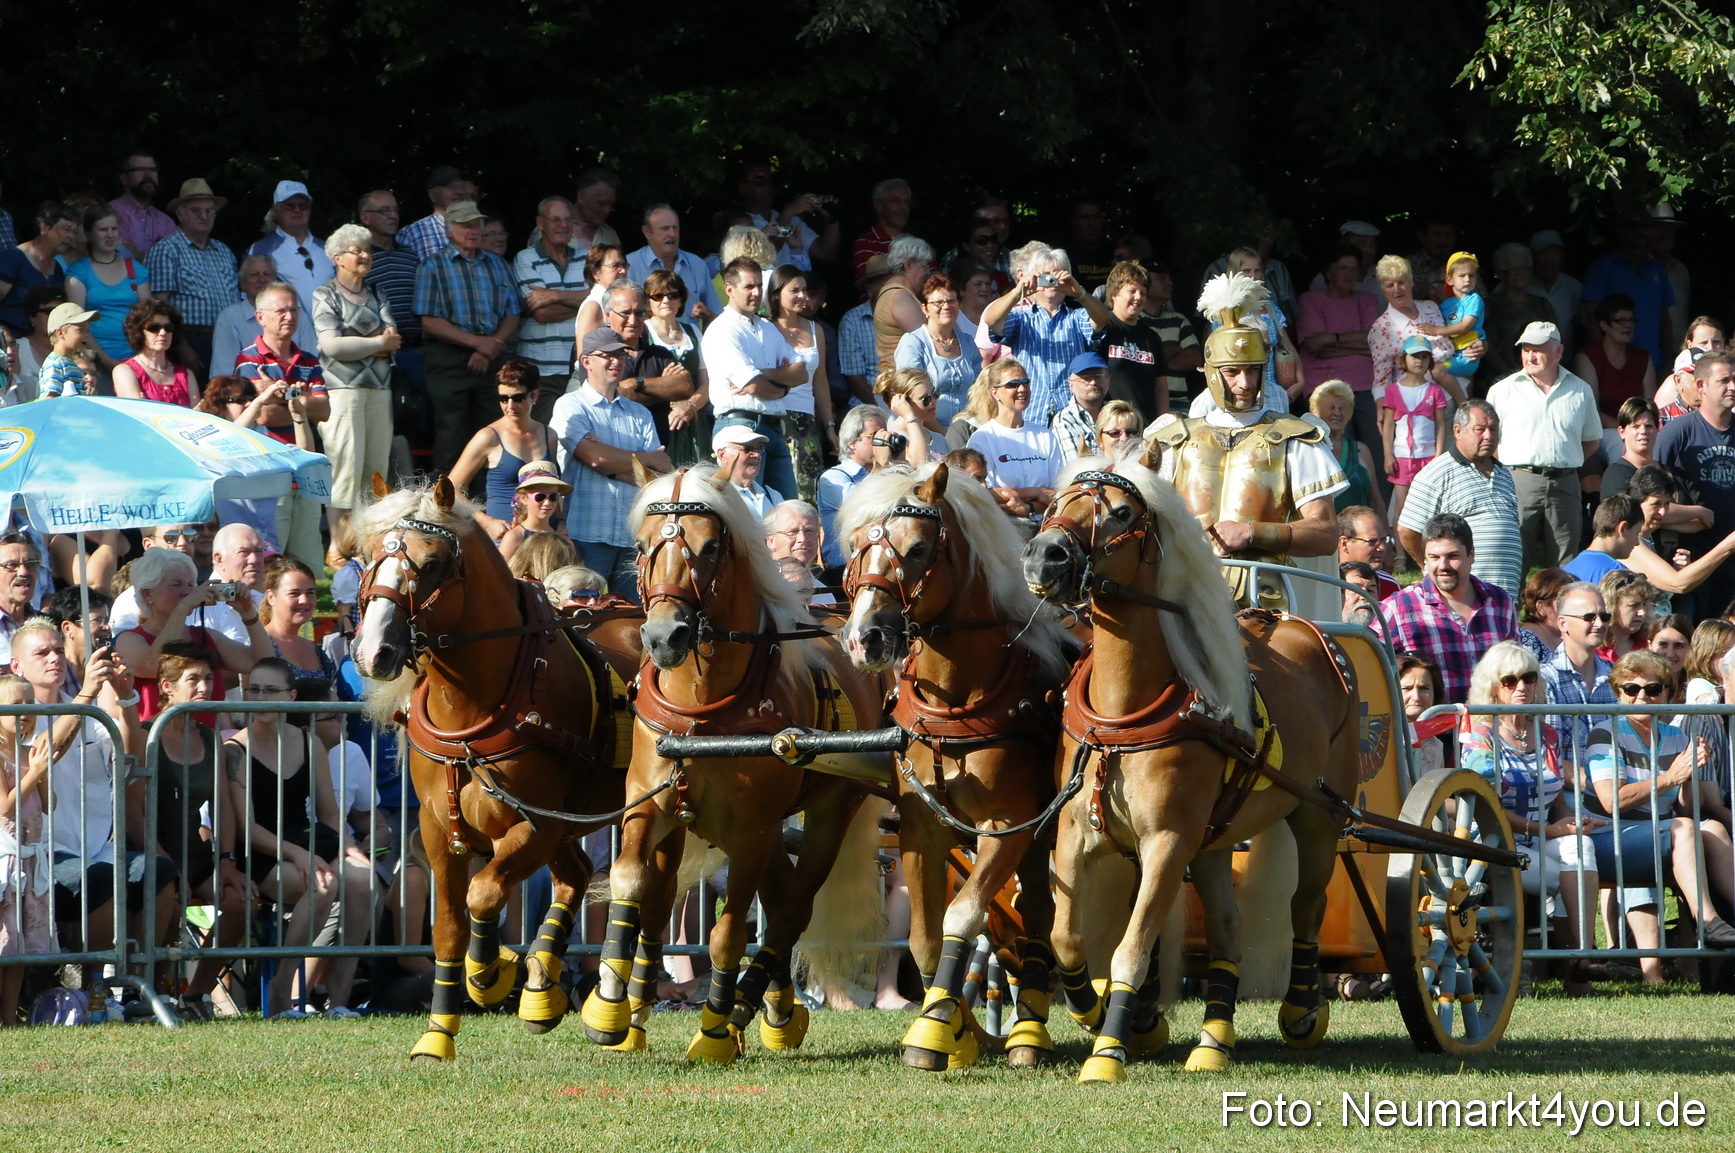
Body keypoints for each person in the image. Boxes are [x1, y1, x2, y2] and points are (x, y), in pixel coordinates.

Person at [1148, 273, 1346, 608]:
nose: (1244, 382)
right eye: (1232, 372)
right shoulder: (1172, 440)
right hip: (1181, 596)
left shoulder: (1295, 438)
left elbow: (1326, 534)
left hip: (1265, 600)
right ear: (1211, 372)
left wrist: (1252, 533)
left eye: (1252, 370)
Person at [223, 657, 372, 1016]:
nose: (260, 698)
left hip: (307, 841)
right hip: (262, 850)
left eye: (269, 691)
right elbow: (248, 827)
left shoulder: (309, 744)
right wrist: (296, 855)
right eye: (253, 690)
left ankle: (340, 998)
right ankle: (282, 988)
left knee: (362, 879)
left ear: (291, 697)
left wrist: (349, 846)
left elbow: (331, 814)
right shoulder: (235, 750)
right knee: (321, 885)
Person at [1460, 641, 1604, 991]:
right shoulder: (1481, 737)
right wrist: (1548, 829)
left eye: (1528, 677)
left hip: (1541, 836)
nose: (1522, 686)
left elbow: (1556, 799)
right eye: (1510, 680)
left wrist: (1570, 823)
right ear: (1492, 685)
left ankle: (1583, 955)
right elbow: (1487, 806)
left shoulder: (1545, 734)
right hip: (1494, 842)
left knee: (1579, 847)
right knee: (1563, 873)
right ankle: (1576, 965)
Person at [1586, 650, 1735, 978]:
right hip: (1608, 838)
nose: (1642, 697)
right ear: (1618, 693)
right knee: (1683, 828)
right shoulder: (1604, 733)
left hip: (1660, 834)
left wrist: (1691, 773)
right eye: (1631, 689)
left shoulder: (1675, 736)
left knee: (1712, 829)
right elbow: (1613, 803)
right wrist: (1670, 776)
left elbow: (1684, 808)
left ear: (1668, 693)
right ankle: (1708, 921)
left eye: (1653, 689)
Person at [147, 642, 256, 1008]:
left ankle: (196, 995)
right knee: (170, 904)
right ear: (167, 686)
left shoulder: (210, 738)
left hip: (198, 855)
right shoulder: (147, 736)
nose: (204, 688)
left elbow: (223, 805)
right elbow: (137, 814)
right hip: (155, 853)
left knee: (243, 901)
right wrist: (168, 867)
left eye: (208, 679)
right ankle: (156, 996)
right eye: (193, 679)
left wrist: (226, 861)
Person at [552, 329, 671, 600]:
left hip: (632, 537)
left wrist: (609, 463)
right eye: (606, 355)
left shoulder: (639, 412)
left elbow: (658, 472)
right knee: (583, 615)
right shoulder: (570, 405)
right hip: (585, 533)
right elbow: (596, 458)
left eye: (620, 354)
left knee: (630, 620)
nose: (616, 361)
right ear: (586, 362)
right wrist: (643, 458)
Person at [1486, 321, 1602, 572]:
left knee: (1565, 560)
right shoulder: (1501, 391)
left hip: (1566, 482)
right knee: (1515, 555)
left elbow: (1592, 440)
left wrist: (1566, 459)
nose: (1530, 355)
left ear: (1558, 351)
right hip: (1518, 481)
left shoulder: (1581, 390)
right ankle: (1511, 610)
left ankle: (1563, 610)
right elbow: (1489, 441)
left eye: (1538, 349)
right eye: (1526, 349)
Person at [312, 223, 399, 557]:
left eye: (368, 250)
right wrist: (376, 342)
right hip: (341, 390)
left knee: (374, 470)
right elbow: (333, 346)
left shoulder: (378, 293)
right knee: (344, 467)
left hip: (380, 389)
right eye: (357, 250)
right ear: (337, 258)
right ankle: (336, 545)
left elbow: (394, 341)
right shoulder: (325, 294)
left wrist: (362, 343)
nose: (365, 255)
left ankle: (365, 543)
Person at [415, 201, 520, 476]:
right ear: (449, 231)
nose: (472, 230)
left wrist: (490, 346)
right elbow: (429, 321)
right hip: (448, 359)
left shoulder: (498, 264)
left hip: (493, 356)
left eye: (476, 224)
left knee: (494, 433)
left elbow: (513, 314)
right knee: (451, 436)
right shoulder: (432, 266)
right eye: (465, 225)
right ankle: (445, 508)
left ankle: (486, 507)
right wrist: (478, 343)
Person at [235, 282, 330, 568]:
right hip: (269, 474)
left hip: (304, 472)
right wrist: (300, 399)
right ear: (261, 316)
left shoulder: (310, 360)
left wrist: (280, 393)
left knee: (307, 564)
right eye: (280, 310)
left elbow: (324, 410)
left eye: (293, 310)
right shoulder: (248, 359)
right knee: (270, 563)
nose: (289, 316)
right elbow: (264, 416)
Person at [114, 547, 271, 720]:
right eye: (176, 585)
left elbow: (262, 664)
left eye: (191, 585)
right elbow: (154, 665)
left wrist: (248, 614)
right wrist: (183, 608)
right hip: (157, 744)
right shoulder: (129, 640)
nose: (187, 592)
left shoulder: (207, 637)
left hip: (206, 742)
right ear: (147, 594)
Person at [1376, 513, 1517, 703]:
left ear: (1472, 554)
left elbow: (1516, 668)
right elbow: (1369, 665)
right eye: (1434, 557)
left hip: (1489, 726)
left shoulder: (1501, 603)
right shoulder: (1398, 607)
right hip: (1429, 729)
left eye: (1453, 556)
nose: (1443, 566)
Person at [701, 258, 806, 501]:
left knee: (786, 510)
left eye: (759, 285)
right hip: (738, 428)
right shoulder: (721, 330)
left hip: (773, 428)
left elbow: (801, 373)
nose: (757, 292)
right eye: (749, 287)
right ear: (729, 289)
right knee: (746, 512)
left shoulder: (768, 328)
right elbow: (753, 386)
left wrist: (765, 373)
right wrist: (781, 387)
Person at [980, 242, 1112, 425]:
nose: (1051, 282)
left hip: (1071, 417)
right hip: (1030, 412)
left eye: (1056, 276)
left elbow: (1103, 318)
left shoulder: (1077, 318)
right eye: (1045, 276)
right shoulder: (1021, 318)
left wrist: (1079, 293)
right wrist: (1019, 291)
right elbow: (991, 319)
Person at [448, 358, 560, 540]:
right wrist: (485, 521)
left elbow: (554, 487)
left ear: (535, 395)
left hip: (543, 537)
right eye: (503, 398)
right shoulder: (488, 437)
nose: (510, 406)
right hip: (504, 538)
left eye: (518, 398)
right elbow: (450, 488)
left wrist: (561, 521)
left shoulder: (549, 435)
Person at [1657, 353, 1735, 613]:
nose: (1732, 386)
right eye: (1724, 380)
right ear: (1701, 385)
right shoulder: (1678, 432)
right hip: (1693, 556)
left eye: (1734, 379)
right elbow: (1648, 491)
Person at [1191, 247, 1303, 413]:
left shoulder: (1270, 308)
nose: (1253, 275)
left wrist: (1300, 383)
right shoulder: (1224, 311)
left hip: (1271, 391)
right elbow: (1212, 358)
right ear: (1234, 272)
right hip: (1236, 393)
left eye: (1257, 270)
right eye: (1246, 271)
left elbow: (1289, 347)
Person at [0, 673, 52, 1024]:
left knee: (19, 940)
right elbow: (5, 806)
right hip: (5, 860)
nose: (24, 713)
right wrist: (34, 772)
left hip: (30, 860)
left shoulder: (28, 753)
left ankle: (9, 1015)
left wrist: (43, 774)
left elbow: (49, 805)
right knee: (4, 937)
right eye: (14, 705)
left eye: (29, 705)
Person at [146, 180, 238, 375]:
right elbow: (160, 306)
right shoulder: (166, 250)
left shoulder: (224, 251)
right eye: (196, 210)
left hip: (226, 338)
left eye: (210, 211)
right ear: (180, 214)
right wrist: (182, 346)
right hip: (189, 338)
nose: (204, 216)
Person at [766, 266, 838, 503]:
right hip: (774, 418)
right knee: (778, 492)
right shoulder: (765, 328)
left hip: (806, 422)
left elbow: (820, 380)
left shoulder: (815, 329)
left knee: (808, 493)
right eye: (794, 290)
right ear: (777, 293)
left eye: (805, 290)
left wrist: (829, 426)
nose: (802, 297)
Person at [966, 357, 1061, 535]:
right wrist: (1036, 491)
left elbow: (1056, 493)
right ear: (995, 393)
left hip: (1046, 529)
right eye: (1013, 384)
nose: (1022, 389)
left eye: (1025, 383)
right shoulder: (983, 438)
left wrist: (1029, 507)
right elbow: (983, 492)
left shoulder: (1045, 435)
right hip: (1003, 531)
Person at [1297, 246, 1380, 445]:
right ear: (1328, 272)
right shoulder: (1310, 300)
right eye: (1343, 268)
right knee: (1336, 446)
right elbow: (1316, 346)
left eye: (1354, 269)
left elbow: (1375, 342)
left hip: (1367, 384)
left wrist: (1332, 339)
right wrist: (1361, 346)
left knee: (1376, 447)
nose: (1349, 274)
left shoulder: (1368, 299)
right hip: (1325, 385)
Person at [514, 196, 587, 416]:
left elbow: (603, 299)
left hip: (580, 367)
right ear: (540, 223)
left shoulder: (587, 259)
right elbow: (543, 313)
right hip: (541, 370)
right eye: (556, 219)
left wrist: (554, 294)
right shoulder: (525, 259)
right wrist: (586, 302)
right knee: (543, 436)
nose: (563, 225)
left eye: (568, 220)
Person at [1366, 254, 1466, 406]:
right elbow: (1382, 379)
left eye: (1401, 282)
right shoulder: (1382, 327)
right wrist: (1383, 411)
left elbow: (1455, 340)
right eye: (1389, 285)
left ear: (1411, 281)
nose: (1397, 289)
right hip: (1419, 404)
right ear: (1382, 289)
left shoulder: (1430, 307)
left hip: (1458, 391)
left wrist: (1476, 346)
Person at [1582, 210, 1675, 372]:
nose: (1638, 231)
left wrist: (1667, 359)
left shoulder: (1658, 271)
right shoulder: (1602, 269)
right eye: (1631, 226)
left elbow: (1665, 320)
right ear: (1619, 231)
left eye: (1644, 226)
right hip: (1614, 367)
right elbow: (1592, 320)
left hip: (1654, 364)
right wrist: (1602, 363)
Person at [65, 204, 152, 367]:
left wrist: (141, 359)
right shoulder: (78, 273)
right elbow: (78, 324)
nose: (110, 235)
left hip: (138, 361)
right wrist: (108, 362)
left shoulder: (135, 269)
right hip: (95, 363)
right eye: (103, 230)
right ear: (89, 234)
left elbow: (149, 318)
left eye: (114, 229)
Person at [1541, 581, 1618, 758]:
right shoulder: (1546, 679)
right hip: (1569, 785)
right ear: (1563, 623)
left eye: (1604, 616)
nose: (1599, 624)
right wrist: (1597, 784)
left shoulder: (1616, 676)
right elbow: (1550, 757)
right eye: (1589, 617)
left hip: (1615, 781)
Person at [1378, 335, 1449, 529]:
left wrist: (1439, 455)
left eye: (1424, 357)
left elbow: (1441, 424)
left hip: (1428, 457)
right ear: (1404, 359)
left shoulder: (1435, 391)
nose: (1419, 361)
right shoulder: (1392, 391)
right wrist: (1387, 455)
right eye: (1414, 356)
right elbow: (1388, 426)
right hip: (1401, 457)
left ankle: (1426, 554)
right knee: (1401, 506)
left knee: (1431, 506)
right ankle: (1400, 556)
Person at [642, 269, 711, 467]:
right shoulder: (642, 333)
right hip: (659, 421)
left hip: (693, 423)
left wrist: (689, 406)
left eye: (673, 295)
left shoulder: (693, 332)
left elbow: (707, 381)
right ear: (648, 301)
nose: (666, 300)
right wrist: (673, 404)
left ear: (681, 300)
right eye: (658, 295)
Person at [894, 272, 980, 425]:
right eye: (938, 302)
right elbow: (912, 401)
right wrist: (945, 435)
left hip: (968, 429)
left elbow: (980, 390)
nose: (946, 306)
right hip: (928, 431)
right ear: (925, 309)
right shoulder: (913, 343)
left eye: (951, 301)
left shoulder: (967, 342)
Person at [212, 254, 318, 377]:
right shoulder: (229, 317)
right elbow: (223, 373)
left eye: (267, 274)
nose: (262, 279)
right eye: (254, 275)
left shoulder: (298, 316)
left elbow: (312, 363)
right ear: (242, 283)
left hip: (298, 387)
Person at [1092, 260, 1169, 422]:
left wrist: (1163, 424)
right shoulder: (1102, 330)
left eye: (1143, 293)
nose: (1138, 297)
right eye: (1132, 291)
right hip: (1112, 427)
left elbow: (1160, 388)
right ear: (1114, 294)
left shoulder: (1151, 337)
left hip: (1146, 429)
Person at [817, 405, 889, 574]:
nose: (882, 441)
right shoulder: (832, 478)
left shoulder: (887, 472)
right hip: (844, 570)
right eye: (875, 436)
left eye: (884, 434)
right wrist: (881, 465)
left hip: (878, 568)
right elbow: (860, 507)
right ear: (852, 443)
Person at [248, 181, 334, 319]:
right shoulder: (261, 249)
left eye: (303, 206)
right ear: (276, 209)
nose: (297, 210)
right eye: (290, 205)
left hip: (330, 332)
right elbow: (250, 296)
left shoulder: (328, 248)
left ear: (310, 210)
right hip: (286, 331)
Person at [734, 160, 840, 270]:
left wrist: (831, 219)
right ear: (743, 188)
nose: (769, 186)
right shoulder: (740, 223)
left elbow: (827, 254)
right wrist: (789, 212)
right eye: (760, 181)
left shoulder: (791, 220)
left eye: (771, 180)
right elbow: (763, 257)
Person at [1478, 242, 1559, 387]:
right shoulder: (1493, 305)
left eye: (1524, 268)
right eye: (1513, 269)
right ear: (1501, 274)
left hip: (1542, 378)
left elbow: (1555, 340)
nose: (1520, 273)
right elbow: (1488, 346)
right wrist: (1512, 376)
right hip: (1503, 379)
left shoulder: (1542, 304)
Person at [625, 205, 721, 323]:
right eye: (665, 229)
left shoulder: (696, 265)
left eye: (675, 228)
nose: (672, 234)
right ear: (647, 232)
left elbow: (718, 316)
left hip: (691, 339)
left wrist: (707, 314)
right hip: (647, 340)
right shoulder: (630, 266)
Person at [1573, 294, 1657, 420]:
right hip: (1603, 433)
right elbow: (1591, 411)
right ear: (1604, 325)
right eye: (1621, 320)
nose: (1628, 325)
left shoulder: (1643, 358)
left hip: (1639, 429)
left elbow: (1650, 407)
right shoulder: (1587, 358)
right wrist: (1624, 429)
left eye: (1631, 320)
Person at [0, 202, 77, 338]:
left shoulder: (57, 270)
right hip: (11, 345)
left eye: (74, 232)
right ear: (44, 228)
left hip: (43, 345)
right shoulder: (12, 259)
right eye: (66, 229)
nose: (71, 236)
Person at [1310, 380, 1383, 518]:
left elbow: (1376, 500)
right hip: (1321, 535)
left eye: (1342, 408)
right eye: (1331, 407)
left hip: (1358, 536)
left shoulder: (1361, 451)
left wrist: (1384, 536)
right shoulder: (1307, 450)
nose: (1337, 412)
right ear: (1315, 412)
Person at [1414, 251, 1485, 386]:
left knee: (1437, 371)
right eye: (1462, 276)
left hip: (1468, 354)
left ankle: (1461, 402)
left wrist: (1436, 330)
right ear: (1449, 280)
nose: (1467, 279)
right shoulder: (1446, 304)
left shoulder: (1474, 299)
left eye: (1472, 275)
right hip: (1453, 353)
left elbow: (1465, 327)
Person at [105, 300, 192, 406]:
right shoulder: (124, 371)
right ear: (139, 332)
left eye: (168, 328)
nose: (163, 333)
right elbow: (137, 412)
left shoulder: (186, 375)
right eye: (154, 328)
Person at [873, 235, 935, 372]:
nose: (928, 273)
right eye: (925, 266)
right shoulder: (899, 297)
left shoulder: (896, 293)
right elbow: (930, 342)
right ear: (909, 265)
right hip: (902, 384)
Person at [496, 460, 573, 564]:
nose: (547, 502)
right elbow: (502, 575)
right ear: (524, 498)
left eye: (553, 496)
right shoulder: (515, 537)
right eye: (540, 497)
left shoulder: (563, 540)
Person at [396, 165, 474, 261]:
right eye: (451, 187)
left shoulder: (481, 229)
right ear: (432, 195)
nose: (459, 192)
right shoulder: (412, 234)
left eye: (462, 186)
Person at [108, 151, 176, 258]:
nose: (148, 175)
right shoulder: (110, 212)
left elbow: (175, 262)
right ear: (124, 178)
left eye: (153, 170)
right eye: (140, 170)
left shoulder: (167, 223)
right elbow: (117, 256)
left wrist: (137, 255)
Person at [1563, 494, 1643, 583]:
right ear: (1622, 528)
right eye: (1636, 534)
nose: (1637, 542)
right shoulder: (1619, 575)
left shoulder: (1567, 571)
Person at [873, 366, 945, 464]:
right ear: (903, 402)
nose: (933, 401)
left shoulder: (939, 438)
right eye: (925, 399)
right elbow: (920, 465)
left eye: (935, 394)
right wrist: (909, 416)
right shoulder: (890, 437)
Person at [1528, 231, 1583, 357]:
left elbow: (1588, 324)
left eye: (1554, 254)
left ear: (1562, 257)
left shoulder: (1573, 287)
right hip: (1525, 363)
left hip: (1564, 365)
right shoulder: (1518, 285)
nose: (1549, 261)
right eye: (1543, 254)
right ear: (1532, 256)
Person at [1050, 351, 1110, 462]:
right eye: (1086, 378)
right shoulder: (1064, 420)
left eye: (1099, 377)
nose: (1093, 382)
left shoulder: (1118, 414)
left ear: (1108, 381)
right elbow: (1076, 466)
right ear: (1071, 385)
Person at [851, 178, 914, 283]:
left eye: (907, 202)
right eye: (896, 201)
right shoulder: (865, 243)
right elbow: (874, 283)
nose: (903, 207)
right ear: (878, 205)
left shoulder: (917, 244)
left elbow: (933, 282)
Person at [1397, 654, 1447, 776]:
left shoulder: (1436, 746)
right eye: (1407, 688)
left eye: (1424, 688)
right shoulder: (1381, 743)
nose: (1416, 697)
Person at [1336, 506, 1400, 600]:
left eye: (1383, 540)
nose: (1382, 548)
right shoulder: (1321, 582)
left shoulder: (1389, 586)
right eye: (1372, 541)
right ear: (1344, 543)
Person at [36, 302, 98, 398]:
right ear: (61, 333)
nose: (86, 335)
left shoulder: (70, 363)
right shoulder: (55, 364)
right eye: (80, 330)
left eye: (87, 330)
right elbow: (50, 400)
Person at [571, 244, 630, 344]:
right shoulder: (593, 306)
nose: (623, 271)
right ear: (595, 273)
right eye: (615, 266)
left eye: (624, 265)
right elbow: (584, 354)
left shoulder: (616, 300)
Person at [1598, 569, 1656, 661]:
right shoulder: (1594, 650)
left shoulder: (1651, 646)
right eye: (1633, 605)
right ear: (1611, 606)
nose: (1642, 612)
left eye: (1644, 604)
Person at [1648, 613, 1692, 681]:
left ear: (1691, 648)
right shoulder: (1635, 684)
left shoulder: (1700, 688)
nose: (1670, 654)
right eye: (1663, 645)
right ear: (1649, 645)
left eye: (1678, 646)